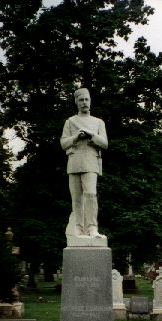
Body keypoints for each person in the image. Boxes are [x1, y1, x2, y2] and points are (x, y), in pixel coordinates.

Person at [60, 88, 108, 237]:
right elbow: (63, 143)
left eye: (86, 99)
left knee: (91, 194)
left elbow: (105, 143)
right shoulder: (70, 122)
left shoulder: (98, 122)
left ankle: (92, 228)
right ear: (76, 102)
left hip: (91, 161)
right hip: (74, 161)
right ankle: (78, 229)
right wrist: (76, 137)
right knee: (77, 198)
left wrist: (91, 135)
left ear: (90, 101)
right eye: (81, 100)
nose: (84, 103)